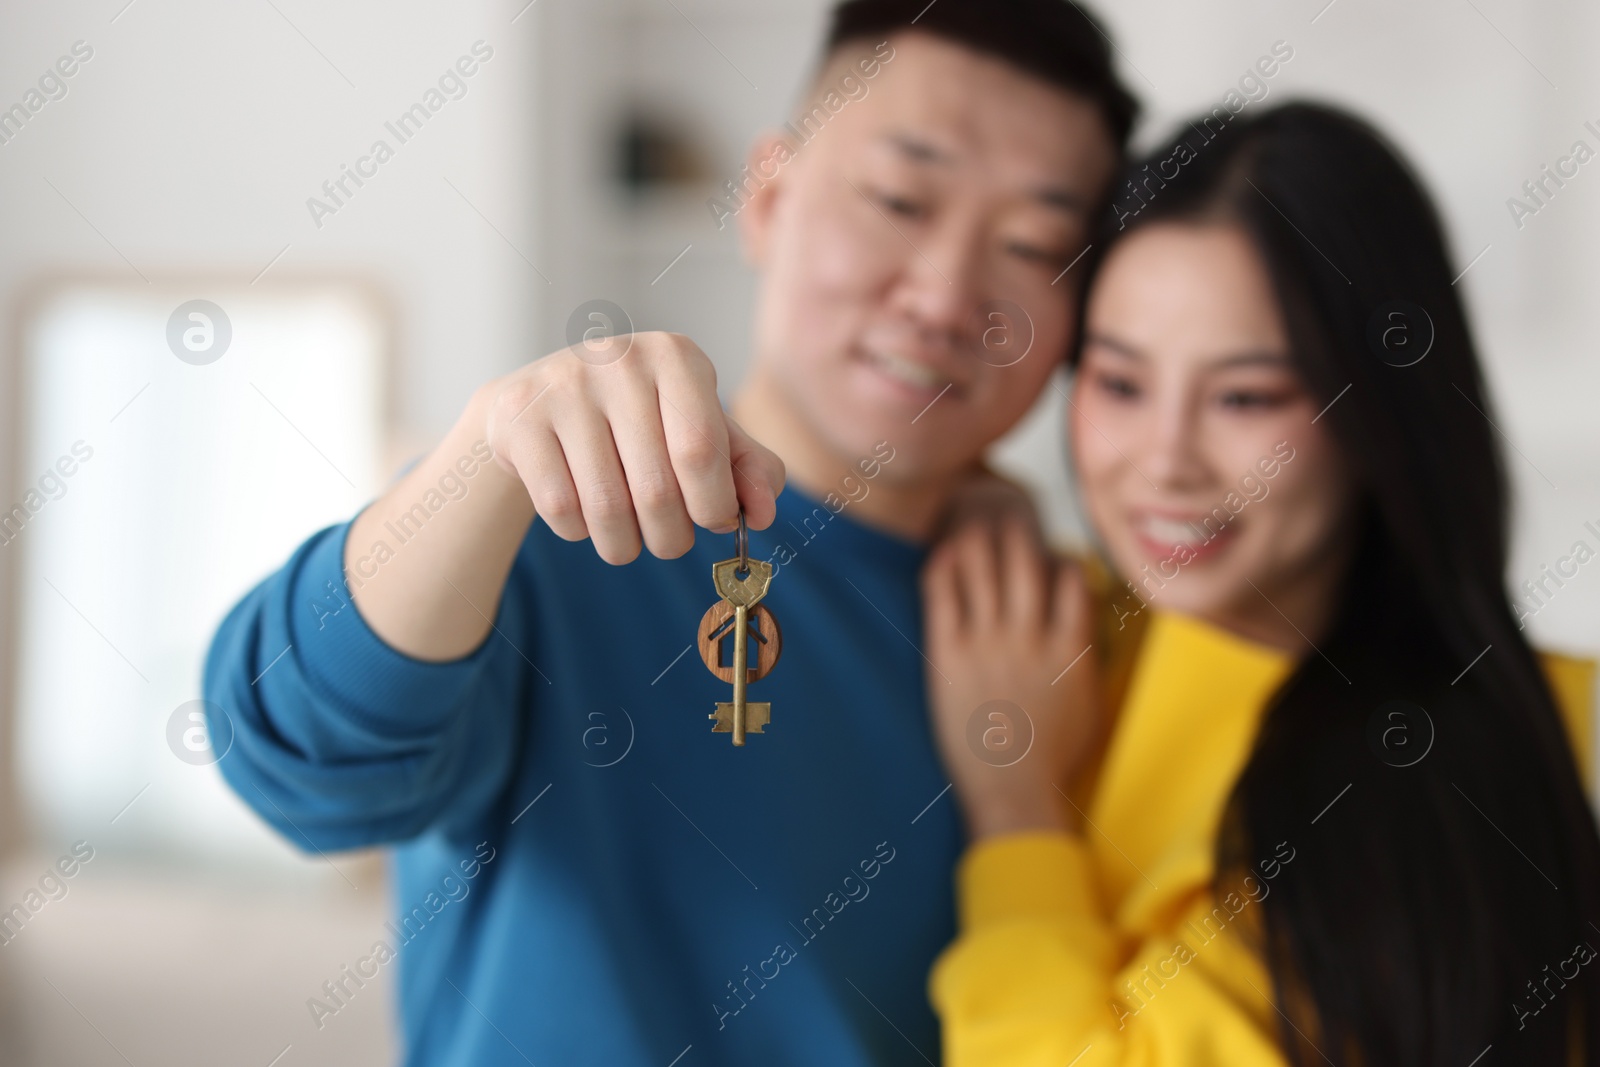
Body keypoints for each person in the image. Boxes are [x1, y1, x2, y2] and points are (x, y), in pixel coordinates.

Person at [201, 2, 1136, 1063]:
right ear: (769, 197)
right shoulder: (552, 513)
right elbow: (297, 763)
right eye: (897, 197)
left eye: (1032, 243)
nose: (945, 293)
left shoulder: (1074, 629)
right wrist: (479, 463)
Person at [920, 101, 1600, 1065]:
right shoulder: (1048, 623)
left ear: (1381, 417)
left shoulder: (1485, 760)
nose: (1163, 462)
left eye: (1244, 397)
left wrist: (1015, 809)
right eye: (1118, 383)